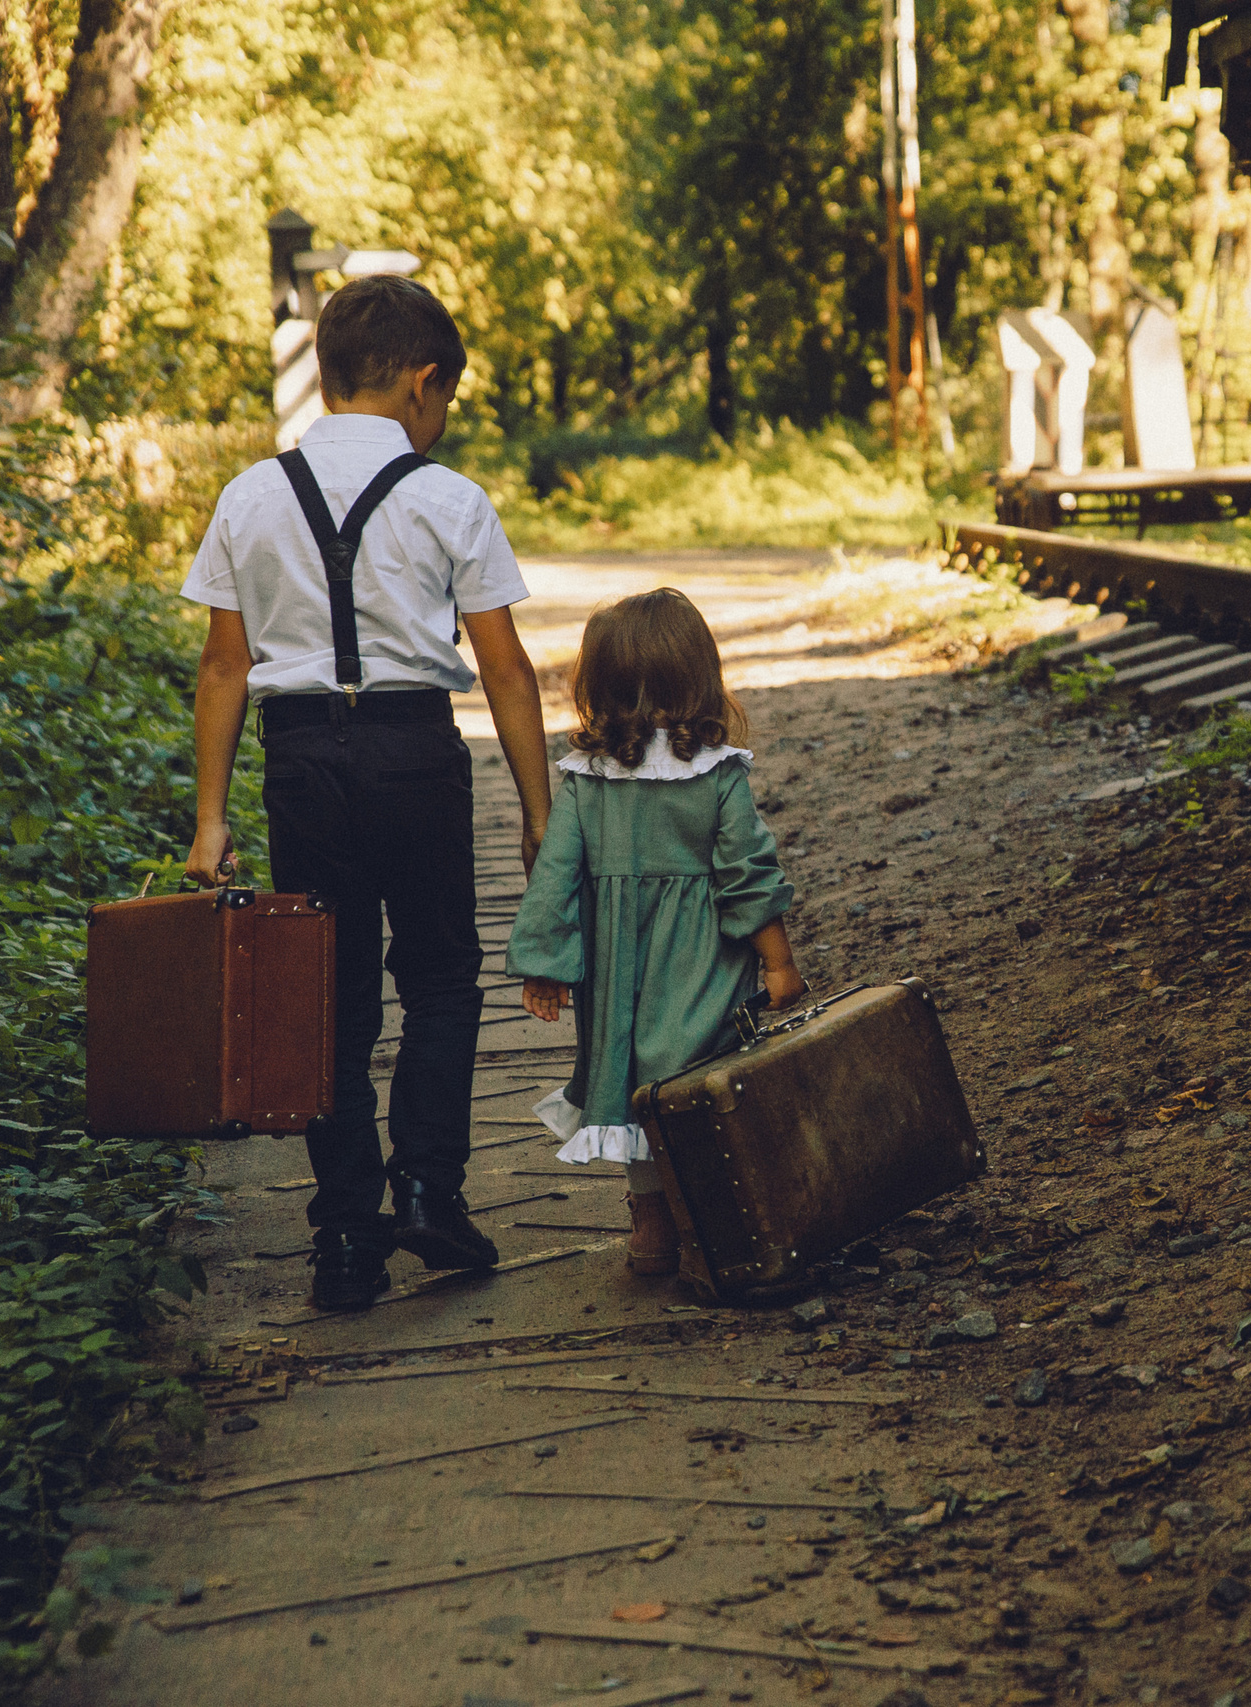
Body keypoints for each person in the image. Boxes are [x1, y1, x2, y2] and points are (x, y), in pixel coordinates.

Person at [180, 274, 555, 1312]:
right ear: (423, 382)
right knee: (438, 976)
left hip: (302, 762)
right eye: (448, 399)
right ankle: (429, 1189)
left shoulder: (251, 496)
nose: (444, 418)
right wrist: (539, 814)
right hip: (413, 754)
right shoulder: (449, 498)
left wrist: (210, 820)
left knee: (327, 996)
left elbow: (224, 667)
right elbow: (505, 669)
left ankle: (345, 1236)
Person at [506, 588, 804, 1276]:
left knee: (635, 1084)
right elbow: (749, 873)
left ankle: (651, 1221)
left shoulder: (587, 780)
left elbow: (555, 873)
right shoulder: (717, 774)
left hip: (620, 967)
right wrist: (779, 963)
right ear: (700, 676)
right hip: (705, 960)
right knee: (699, 1077)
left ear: (598, 687)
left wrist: (547, 961)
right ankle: (708, 1214)